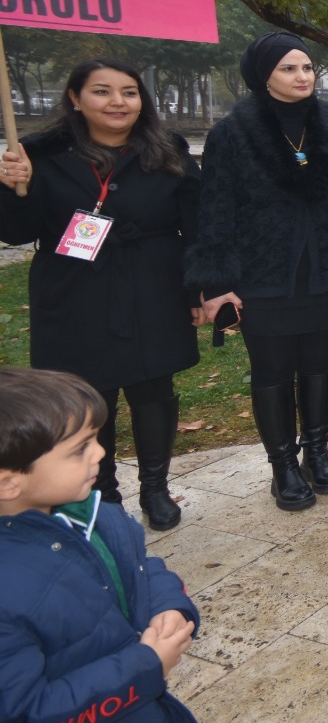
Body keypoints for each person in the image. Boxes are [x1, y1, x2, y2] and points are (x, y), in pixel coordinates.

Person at [0, 59, 200, 531]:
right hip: (75, 288)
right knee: (90, 393)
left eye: (129, 92)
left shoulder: (166, 150)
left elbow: (196, 220)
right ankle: (102, 492)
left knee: (153, 387)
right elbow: (16, 232)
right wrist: (12, 188)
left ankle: (155, 486)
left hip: (153, 283)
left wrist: (202, 286)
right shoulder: (39, 154)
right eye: (103, 91)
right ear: (75, 97)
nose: (117, 102)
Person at [187, 32, 328, 511]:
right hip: (263, 278)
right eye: (290, 68)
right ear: (263, 75)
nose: (302, 76)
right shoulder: (233, 133)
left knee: (319, 365)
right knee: (272, 371)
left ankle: (317, 453)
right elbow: (216, 211)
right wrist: (217, 283)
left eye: (308, 68)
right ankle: (283, 466)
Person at [0, 367, 200, 723]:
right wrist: (144, 667)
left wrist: (171, 607)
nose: (100, 453)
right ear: (7, 483)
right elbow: (27, 710)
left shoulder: (95, 516)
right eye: (80, 449)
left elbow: (140, 567)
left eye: (95, 438)